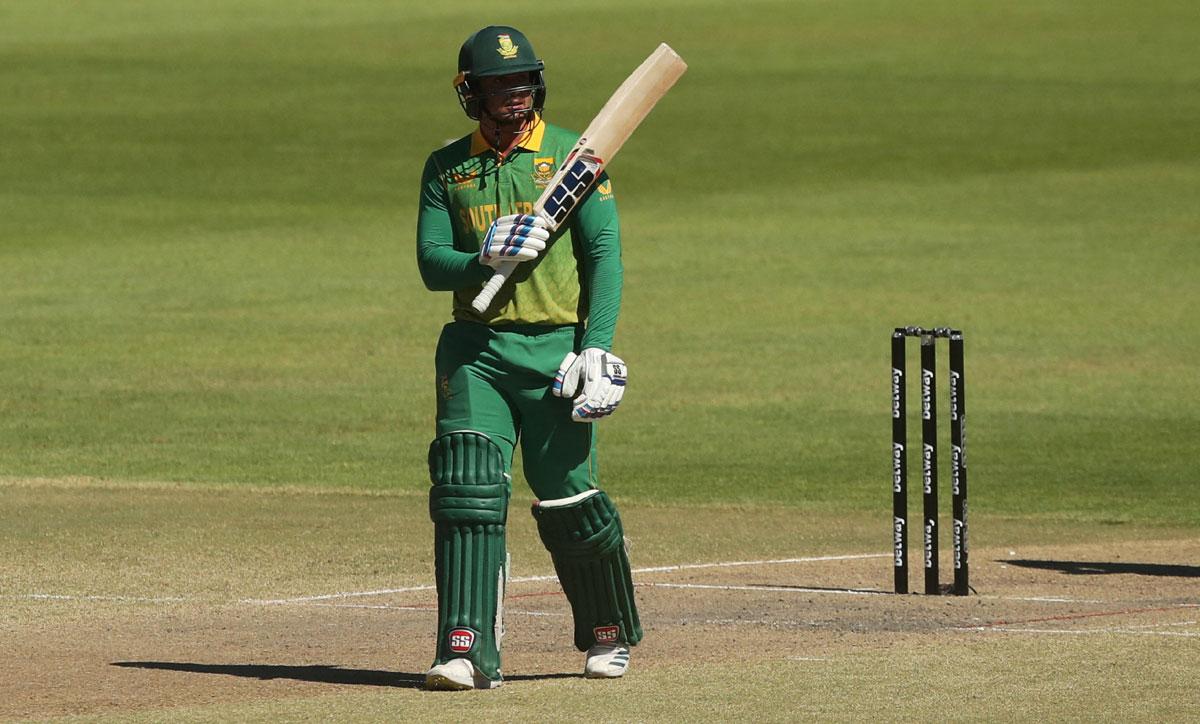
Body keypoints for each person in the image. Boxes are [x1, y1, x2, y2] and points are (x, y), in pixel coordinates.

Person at [415, 26, 642, 691]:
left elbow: (604, 256)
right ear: (471, 93)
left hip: (555, 352)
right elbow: (432, 265)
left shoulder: (574, 155)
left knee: (569, 499)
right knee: (466, 488)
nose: (512, 98)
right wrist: (481, 257)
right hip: (475, 350)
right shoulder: (447, 167)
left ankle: (609, 630)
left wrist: (596, 347)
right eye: (497, 87)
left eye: (521, 85)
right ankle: (466, 649)